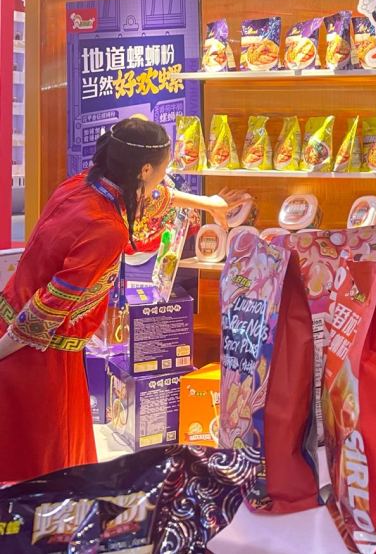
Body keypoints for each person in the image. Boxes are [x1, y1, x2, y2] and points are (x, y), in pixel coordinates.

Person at [0, 117, 245, 483]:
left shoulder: (81, 186)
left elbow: (151, 196)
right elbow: (48, 309)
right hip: (39, 355)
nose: (164, 179)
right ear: (145, 170)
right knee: (44, 473)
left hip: (15, 328)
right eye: (163, 169)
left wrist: (207, 203)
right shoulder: (106, 228)